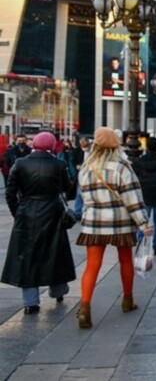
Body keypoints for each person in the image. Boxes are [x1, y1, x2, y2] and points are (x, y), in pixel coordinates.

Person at [75, 127, 152, 329]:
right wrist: (143, 223)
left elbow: (84, 197)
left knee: (92, 265)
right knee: (125, 260)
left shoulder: (86, 168)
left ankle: (84, 307)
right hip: (120, 222)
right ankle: (127, 300)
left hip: (93, 223)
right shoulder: (122, 167)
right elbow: (133, 199)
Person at [1, 132, 75, 315]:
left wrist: (17, 212)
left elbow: (10, 192)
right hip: (52, 212)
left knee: (27, 256)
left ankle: (30, 303)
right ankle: (57, 290)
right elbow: (68, 190)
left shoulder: (20, 163)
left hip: (27, 212)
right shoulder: (59, 164)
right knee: (54, 252)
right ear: (51, 146)